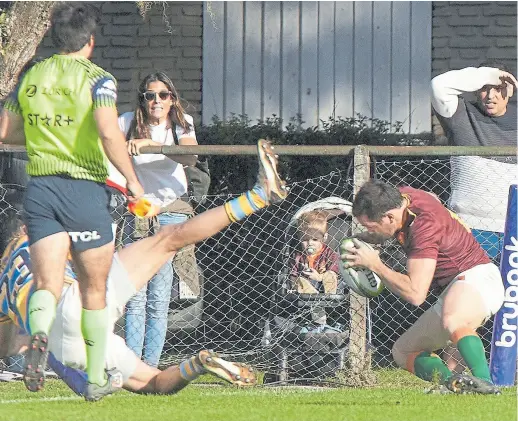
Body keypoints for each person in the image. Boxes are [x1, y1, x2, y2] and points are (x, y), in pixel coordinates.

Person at [0, 139, 287, 400]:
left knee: (153, 384)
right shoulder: (40, 239)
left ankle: (196, 364)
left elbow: (9, 346)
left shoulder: (6, 279)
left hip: (67, 345)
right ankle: (258, 197)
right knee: (169, 238)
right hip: (77, 304)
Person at [0, 3, 144, 398]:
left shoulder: (31, 75)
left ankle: (39, 334)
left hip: (41, 189)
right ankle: (96, 376)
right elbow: (110, 133)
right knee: (92, 287)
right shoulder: (98, 80)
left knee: (46, 283)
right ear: (90, 42)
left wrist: (47, 139)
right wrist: (133, 180)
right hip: (83, 189)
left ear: (53, 38)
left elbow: (5, 132)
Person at [343, 180, 504, 394]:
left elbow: (416, 294)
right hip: (454, 288)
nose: (368, 232)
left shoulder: (424, 228)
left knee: (453, 318)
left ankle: (485, 384)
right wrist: (371, 238)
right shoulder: (402, 197)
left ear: (390, 217)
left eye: (372, 227)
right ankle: (456, 386)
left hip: (479, 277)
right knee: (403, 351)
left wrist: (374, 264)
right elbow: (432, 198)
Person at [114, 72, 199, 368]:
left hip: (171, 211)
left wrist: (149, 146)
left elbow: (190, 157)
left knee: (159, 296)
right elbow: (107, 154)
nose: (156, 101)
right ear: (142, 99)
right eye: (150, 95)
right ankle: (131, 363)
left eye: (163, 95)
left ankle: (150, 364)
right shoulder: (126, 121)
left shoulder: (181, 123)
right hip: (137, 211)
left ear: (172, 98)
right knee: (135, 294)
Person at [431, 61, 518, 260]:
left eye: (498, 88)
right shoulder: (460, 114)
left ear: (510, 90)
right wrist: (487, 75)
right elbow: (438, 86)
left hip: (514, 229)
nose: (491, 96)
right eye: (484, 89)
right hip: (470, 228)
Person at [290, 211, 340, 295]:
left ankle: (329, 298)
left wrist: (319, 277)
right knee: (298, 280)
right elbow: (293, 275)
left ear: (324, 237)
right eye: (305, 239)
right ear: (299, 238)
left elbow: (334, 272)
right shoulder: (298, 256)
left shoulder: (329, 254)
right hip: (308, 288)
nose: (310, 243)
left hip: (324, 285)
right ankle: (314, 299)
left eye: (315, 239)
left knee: (330, 275)